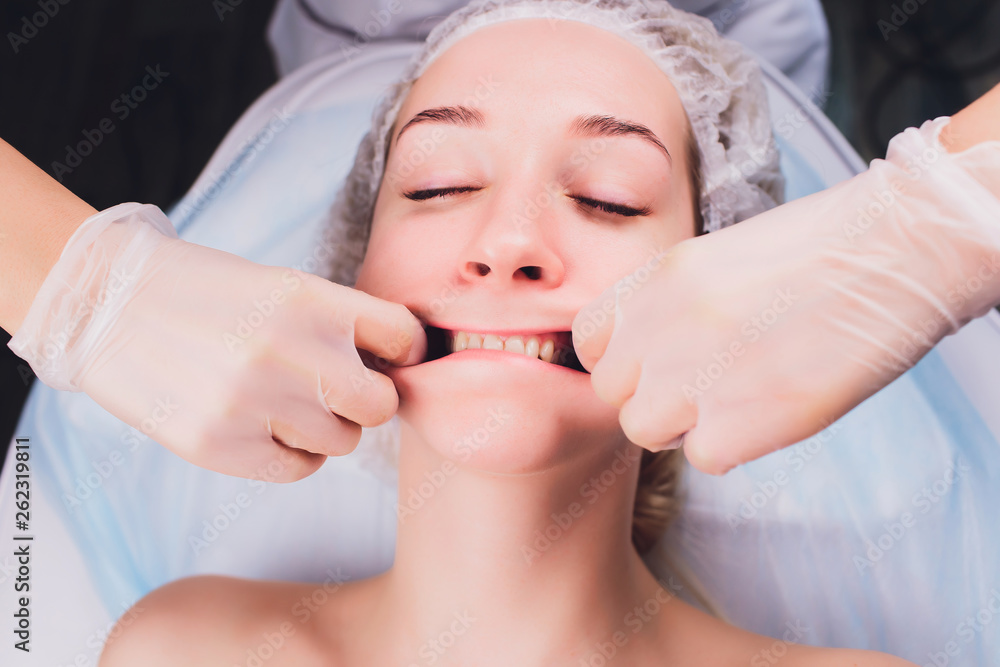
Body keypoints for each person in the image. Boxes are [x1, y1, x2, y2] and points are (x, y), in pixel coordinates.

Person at [97, 1, 917, 664]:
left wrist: (948, 225)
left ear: (716, 290)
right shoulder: (183, 647)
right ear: (352, 269)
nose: (507, 242)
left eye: (610, 197)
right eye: (439, 184)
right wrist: (80, 294)